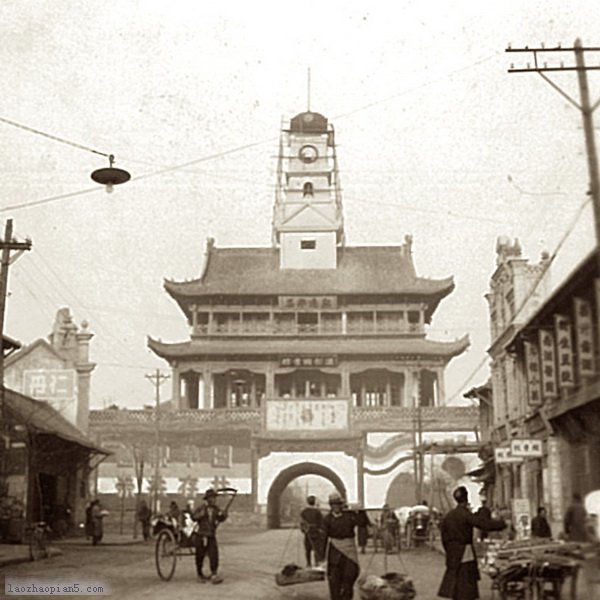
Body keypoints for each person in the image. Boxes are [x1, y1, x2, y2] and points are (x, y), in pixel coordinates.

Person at [438, 485, 506, 600]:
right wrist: (502, 524)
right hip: (465, 551)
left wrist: (449, 550)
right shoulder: (466, 514)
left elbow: (443, 537)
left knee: (455, 578)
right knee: (466, 579)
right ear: (467, 498)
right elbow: (483, 524)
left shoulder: (448, 516)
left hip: (452, 551)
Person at [322, 492, 359, 600]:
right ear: (331, 506)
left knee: (349, 579)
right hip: (334, 552)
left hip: (349, 553)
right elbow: (323, 537)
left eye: (338, 504)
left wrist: (359, 511)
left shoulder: (350, 516)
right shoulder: (327, 519)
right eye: (333, 505)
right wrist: (321, 557)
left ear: (341, 505)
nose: (336, 507)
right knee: (334, 582)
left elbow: (362, 523)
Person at [192, 488, 228, 584]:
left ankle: (214, 574)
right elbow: (193, 517)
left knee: (214, 554)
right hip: (201, 535)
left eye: (214, 498)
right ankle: (199, 574)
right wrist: (201, 515)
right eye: (212, 498)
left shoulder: (216, 509)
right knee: (200, 555)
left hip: (211, 535)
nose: (214, 500)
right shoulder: (201, 508)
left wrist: (224, 515)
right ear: (207, 499)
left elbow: (221, 518)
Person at [300, 495, 325, 567]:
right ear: (314, 502)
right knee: (316, 548)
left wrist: (304, 530)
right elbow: (321, 522)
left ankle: (308, 563)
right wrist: (321, 530)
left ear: (307, 502)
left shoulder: (304, 511)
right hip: (315, 532)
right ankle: (316, 563)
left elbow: (302, 523)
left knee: (308, 549)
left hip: (308, 532)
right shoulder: (317, 511)